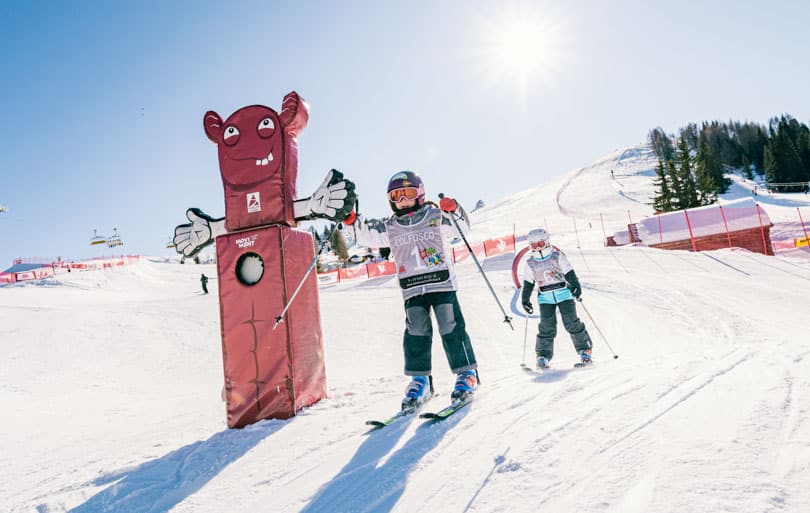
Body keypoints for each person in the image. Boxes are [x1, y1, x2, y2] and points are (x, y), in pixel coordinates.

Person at [343, 170, 479, 408]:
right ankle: (421, 380)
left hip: (441, 282)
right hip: (413, 287)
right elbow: (366, 235)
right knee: (416, 332)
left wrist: (454, 209)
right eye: (396, 195)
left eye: (407, 193)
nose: (402, 199)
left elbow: (461, 230)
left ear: (420, 193)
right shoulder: (390, 226)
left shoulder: (435, 216)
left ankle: (467, 373)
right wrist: (350, 220)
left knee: (451, 327)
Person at [520, 228, 593, 369]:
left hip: (564, 294)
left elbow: (569, 272)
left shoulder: (557, 256)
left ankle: (585, 351)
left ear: (547, 242)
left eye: (541, 243)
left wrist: (576, 286)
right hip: (545, 298)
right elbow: (528, 282)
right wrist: (525, 300)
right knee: (546, 327)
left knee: (571, 323)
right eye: (535, 245)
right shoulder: (530, 263)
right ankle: (543, 356)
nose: (538, 248)